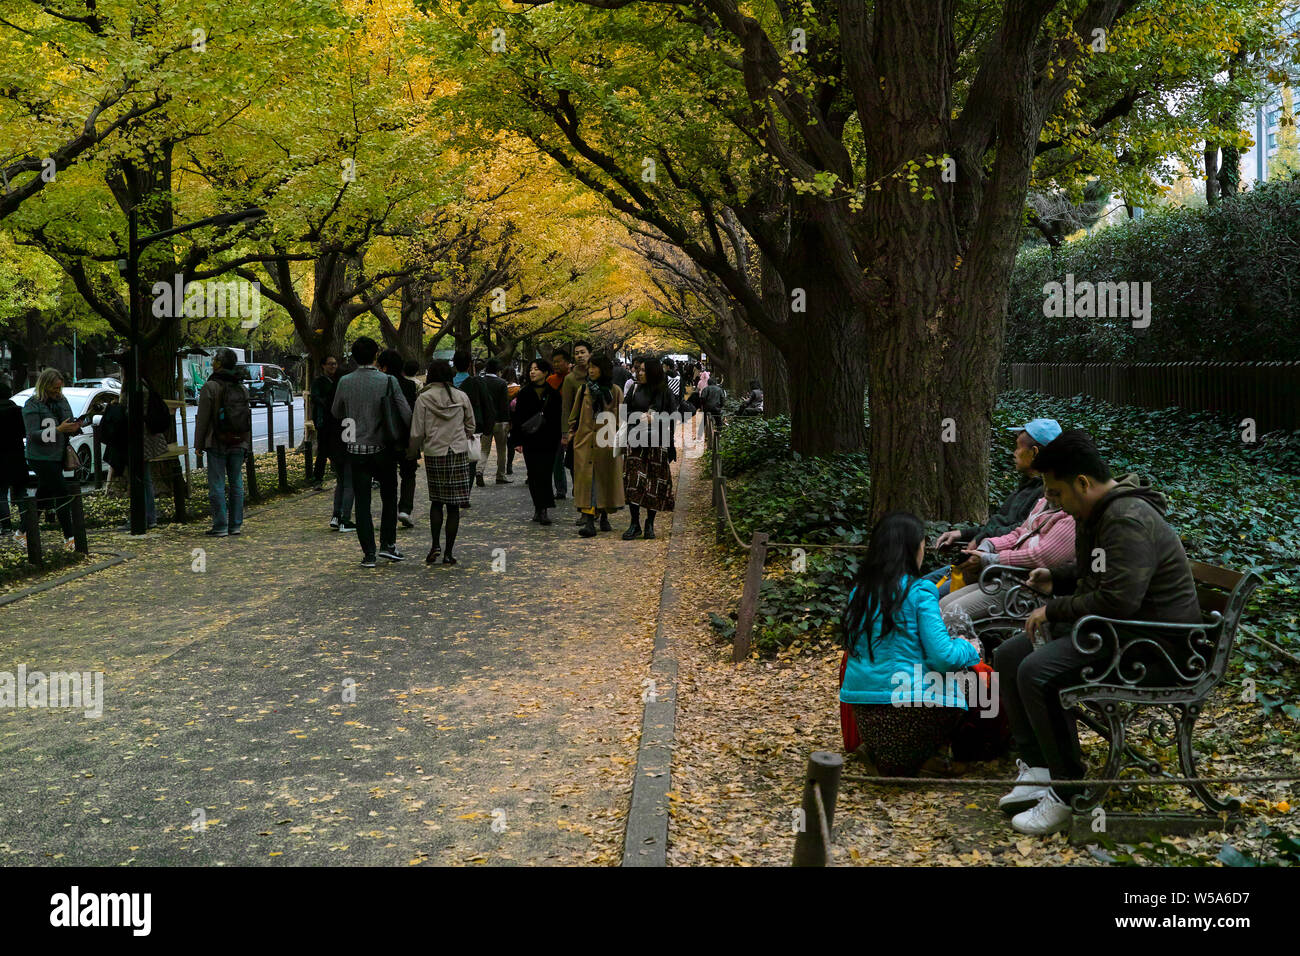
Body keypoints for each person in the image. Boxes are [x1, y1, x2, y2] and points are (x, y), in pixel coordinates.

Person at [993, 430, 1203, 836]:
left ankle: (1068, 791)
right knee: (1009, 656)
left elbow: (1119, 599)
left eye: (1056, 494)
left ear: (1083, 483)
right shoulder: (1100, 512)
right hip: (1118, 635)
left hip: (1153, 650)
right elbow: (1101, 575)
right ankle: (1040, 767)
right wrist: (1058, 577)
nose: (1054, 503)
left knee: (1036, 671)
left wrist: (1053, 608)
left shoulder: (1124, 518)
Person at [839, 511, 982, 775]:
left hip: (866, 711)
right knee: (973, 677)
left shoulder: (859, 591)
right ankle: (939, 757)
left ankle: (887, 755)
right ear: (913, 548)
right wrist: (968, 647)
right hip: (910, 710)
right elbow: (943, 657)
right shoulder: (919, 591)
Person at [928, 418, 1061, 596]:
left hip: (997, 574)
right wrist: (963, 533)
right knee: (917, 588)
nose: (1014, 453)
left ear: (1034, 452)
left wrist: (985, 541)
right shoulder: (1025, 487)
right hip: (983, 563)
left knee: (925, 597)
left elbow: (1021, 532)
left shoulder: (1046, 495)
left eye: (1018, 447)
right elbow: (1001, 525)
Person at [332, 337, 411, 568]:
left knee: (362, 501)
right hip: (383, 448)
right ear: (376, 355)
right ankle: (388, 544)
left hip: (355, 449)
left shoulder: (345, 381)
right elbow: (405, 412)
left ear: (354, 357)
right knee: (388, 497)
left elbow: (336, 411)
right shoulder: (387, 381)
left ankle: (368, 553)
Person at [409, 360, 475, 565]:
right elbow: (471, 425)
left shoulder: (424, 398)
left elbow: (417, 431)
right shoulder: (461, 396)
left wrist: (412, 452)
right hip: (457, 452)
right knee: (454, 506)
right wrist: (463, 435)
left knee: (436, 501)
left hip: (435, 452)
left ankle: (435, 544)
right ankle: (449, 553)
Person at [192, 349, 252, 538]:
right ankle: (235, 525)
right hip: (238, 441)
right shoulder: (241, 387)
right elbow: (247, 419)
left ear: (219, 363)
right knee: (236, 483)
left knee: (217, 484)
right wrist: (246, 443)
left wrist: (199, 444)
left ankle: (220, 525)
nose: (213, 362)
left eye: (215, 359)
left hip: (217, 441)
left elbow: (203, 419)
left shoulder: (210, 386)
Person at [568, 351, 623, 537]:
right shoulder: (584, 390)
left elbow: (622, 418)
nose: (591, 370)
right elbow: (573, 416)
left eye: (594, 367)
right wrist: (573, 435)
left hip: (607, 442)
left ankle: (605, 515)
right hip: (585, 442)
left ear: (604, 369)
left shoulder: (615, 391)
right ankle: (590, 521)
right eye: (589, 367)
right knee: (588, 481)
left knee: (604, 480)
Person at [621, 355, 676, 540]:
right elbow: (623, 411)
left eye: (643, 370)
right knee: (634, 482)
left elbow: (673, 417)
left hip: (657, 442)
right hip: (636, 442)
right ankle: (634, 523)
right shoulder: (636, 388)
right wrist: (638, 416)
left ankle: (649, 523)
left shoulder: (665, 392)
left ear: (653, 372)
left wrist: (658, 420)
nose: (639, 372)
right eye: (639, 369)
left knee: (655, 482)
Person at [510, 358, 562, 525]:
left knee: (545, 474)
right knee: (533, 474)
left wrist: (560, 437)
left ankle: (544, 509)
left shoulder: (553, 393)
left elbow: (558, 418)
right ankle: (538, 506)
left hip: (549, 440)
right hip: (530, 440)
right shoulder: (524, 393)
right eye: (531, 369)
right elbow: (517, 418)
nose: (532, 372)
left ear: (545, 372)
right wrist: (517, 441)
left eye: (536, 369)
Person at [379, 349, 420, 529]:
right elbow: (410, 412)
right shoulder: (409, 386)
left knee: (388, 476)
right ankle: (405, 509)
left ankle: (388, 511)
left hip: (385, 437)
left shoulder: (379, 384)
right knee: (409, 473)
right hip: (406, 435)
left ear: (385, 367)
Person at [453, 350, 494, 488]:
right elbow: (487, 404)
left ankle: (456, 489)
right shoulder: (477, 383)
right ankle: (465, 493)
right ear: (470, 365)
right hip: (473, 427)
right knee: (470, 459)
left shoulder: (449, 383)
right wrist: (488, 427)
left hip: (451, 428)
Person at [560, 341, 591, 521]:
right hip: (577, 430)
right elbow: (566, 408)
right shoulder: (570, 379)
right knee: (577, 471)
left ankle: (597, 510)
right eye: (577, 353)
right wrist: (566, 433)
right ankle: (583, 509)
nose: (579, 356)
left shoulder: (598, 375)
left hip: (597, 429)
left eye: (583, 352)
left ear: (590, 354)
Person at [0, 379, 28, 541]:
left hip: (0, 458)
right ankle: (26, 522)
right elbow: (25, 433)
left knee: (1, 494)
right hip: (17, 456)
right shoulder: (18, 411)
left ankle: (5, 526)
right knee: (21, 492)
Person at [480, 358, 512, 484]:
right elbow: (504, 404)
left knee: (484, 449)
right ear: (498, 370)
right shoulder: (501, 383)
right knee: (501, 449)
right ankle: (500, 475)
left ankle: (479, 471)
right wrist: (508, 420)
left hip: (486, 421)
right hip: (500, 420)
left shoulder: (481, 382)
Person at [548, 349, 572, 500]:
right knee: (557, 459)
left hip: (573, 423)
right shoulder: (550, 380)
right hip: (555, 424)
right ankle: (561, 489)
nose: (556, 364)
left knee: (575, 459)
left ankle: (579, 489)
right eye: (554, 361)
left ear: (567, 362)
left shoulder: (574, 379)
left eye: (559, 361)